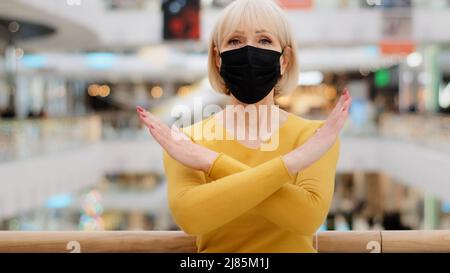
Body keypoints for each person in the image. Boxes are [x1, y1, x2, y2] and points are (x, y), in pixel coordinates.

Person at [136, 0, 352, 253]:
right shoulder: (186, 140)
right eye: (235, 41)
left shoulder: (313, 137)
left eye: (264, 41)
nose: (249, 51)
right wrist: (293, 162)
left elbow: (306, 218)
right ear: (218, 58)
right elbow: (192, 218)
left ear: (284, 60)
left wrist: (211, 162)